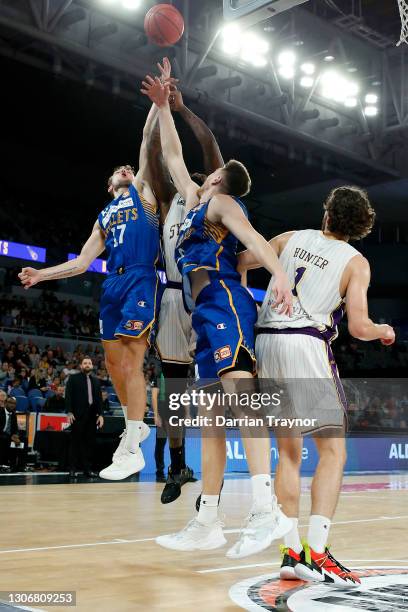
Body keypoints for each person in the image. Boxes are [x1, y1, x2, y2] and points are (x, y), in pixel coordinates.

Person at [141, 69, 293, 552]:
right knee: (210, 418)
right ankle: (208, 519)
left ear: (221, 178)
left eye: (211, 173)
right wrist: (164, 107)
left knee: (244, 407)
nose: (202, 176)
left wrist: (282, 277)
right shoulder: (189, 202)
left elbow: (256, 244)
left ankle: (266, 510)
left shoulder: (223, 203)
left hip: (227, 304)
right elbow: (172, 155)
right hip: (201, 316)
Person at [17, 63, 175, 481]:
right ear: (109, 184)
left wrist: (158, 105)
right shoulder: (104, 215)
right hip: (113, 284)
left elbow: (146, 143)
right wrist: (41, 275)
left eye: (128, 168)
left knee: (133, 354)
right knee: (113, 362)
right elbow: (82, 263)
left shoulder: (142, 193)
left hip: (142, 275)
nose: (126, 169)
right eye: (119, 170)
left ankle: (134, 435)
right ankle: (133, 431)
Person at [239, 185, 395, 585]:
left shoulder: (289, 238)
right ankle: (319, 552)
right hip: (306, 344)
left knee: (288, 455)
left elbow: (239, 262)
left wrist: (242, 297)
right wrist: (383, 330)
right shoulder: (356, 262)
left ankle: (291, 553)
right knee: (333, 452)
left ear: (326, 214)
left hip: (266, 341)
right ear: (359, 229)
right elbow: (358, 328)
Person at [148, 68, 222, 503]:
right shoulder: (167, 195)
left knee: (214, 386)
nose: (196, 179)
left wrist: (182, 109)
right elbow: (163, 153)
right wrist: (160, 109)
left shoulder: (211, 198)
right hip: (174, 298)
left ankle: (213, 482)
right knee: (172, 389)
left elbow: (210, 147)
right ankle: (178, 463)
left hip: (208, 294)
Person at [65, 356, 104, 478]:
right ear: (81, 366)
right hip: (77, 416)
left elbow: (99, 399)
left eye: (89, 363)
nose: (87, 365)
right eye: (85, 363)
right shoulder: (73, 378)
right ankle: (72, 469)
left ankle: (88, 469)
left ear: (92, 366)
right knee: (75, 443)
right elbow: (68, 396)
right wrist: (69, 412)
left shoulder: (96, 380)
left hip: (92, 416)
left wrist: (101, 414)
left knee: (89, 444)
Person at [0, 392, 19, 471]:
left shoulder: (13, 414)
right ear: (5, 403)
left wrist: (16, 435)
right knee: (4, 438)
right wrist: (11, 436)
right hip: (1, 434)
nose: (12, 405)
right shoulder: (0, 412)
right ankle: (3, 463)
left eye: (14, 404)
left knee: (24, 440)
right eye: (10, 403)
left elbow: (15, 428)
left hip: (8, 436)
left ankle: (19, 465)